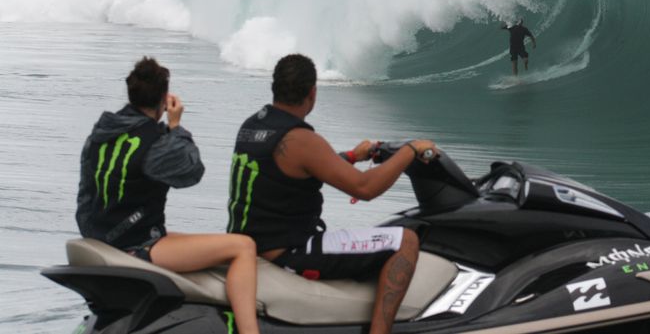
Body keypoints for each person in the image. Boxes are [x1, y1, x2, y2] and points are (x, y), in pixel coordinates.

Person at [227, 54, 436, 334]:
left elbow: (297, 167)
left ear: (274, 87)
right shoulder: (300, 139)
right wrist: (410, 150)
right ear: (312, 93)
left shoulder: (252, 126)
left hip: (250, 242)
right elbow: (365, 188)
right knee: (405, 241)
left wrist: (351, 156)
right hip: (288, 252)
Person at [77, 57, 260, 334]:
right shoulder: (156, 141)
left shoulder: (100, 133)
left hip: (103, 239)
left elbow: (85, 197)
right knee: (243, 247)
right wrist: (176, 126)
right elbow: (191, 171)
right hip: (135, 246)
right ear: (164, 98)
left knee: (214, 246)